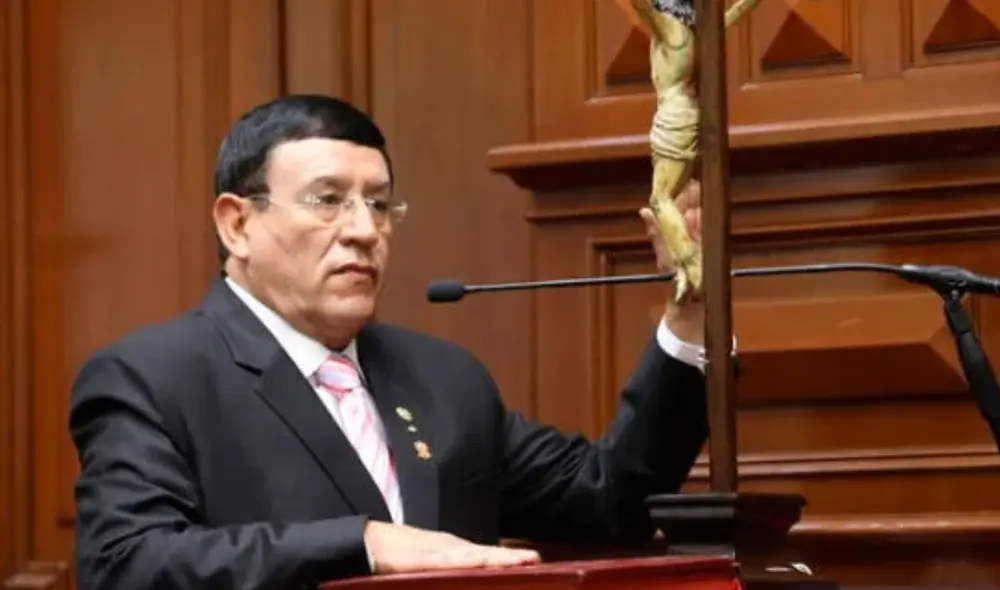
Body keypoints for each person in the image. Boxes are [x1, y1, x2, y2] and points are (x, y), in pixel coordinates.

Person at [69, 94, 712, 590]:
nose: (363, 231)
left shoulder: (443, 376)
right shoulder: (151, 377)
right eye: (328, 201)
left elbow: (610, 502)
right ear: (237, 224)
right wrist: (367, 544)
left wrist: (691, 314)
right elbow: (129, 564)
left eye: (379, 205)